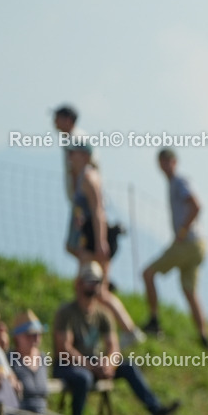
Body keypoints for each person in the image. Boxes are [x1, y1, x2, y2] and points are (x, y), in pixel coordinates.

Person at [53, 262, 180, 415]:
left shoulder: (103, 314)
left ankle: (156, 410)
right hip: (68, 366)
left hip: (95, 364)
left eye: (97, 281)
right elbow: (64, 349)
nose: (93, 285)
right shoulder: (66, 312)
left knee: (128, 367)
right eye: (89, 280)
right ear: (78, 283)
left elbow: (113, 346)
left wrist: (109, 364)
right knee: (83, 378)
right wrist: (92, 367)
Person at [65, 143, 143, 347]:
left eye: (72, 153)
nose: (69, 157)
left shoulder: (89, 178)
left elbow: (98, 211)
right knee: (94, 290)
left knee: (95, 290)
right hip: (89, 240)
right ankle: (106, 333)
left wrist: (100, 243)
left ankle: (127, 331)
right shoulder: (83, 176)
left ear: (84, 155)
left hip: (94, 242)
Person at [142, 149, 208, 347]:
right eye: (161, 162)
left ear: (175, 162)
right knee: (190, 291)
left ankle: (154, 321)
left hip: (188, 243)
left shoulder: (180, 182)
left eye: (167, 161)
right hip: (198, 245)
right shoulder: (175, 183)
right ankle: (204, 337)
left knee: (148, 273)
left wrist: (182, 231)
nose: (164, 165)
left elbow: (196, 205)